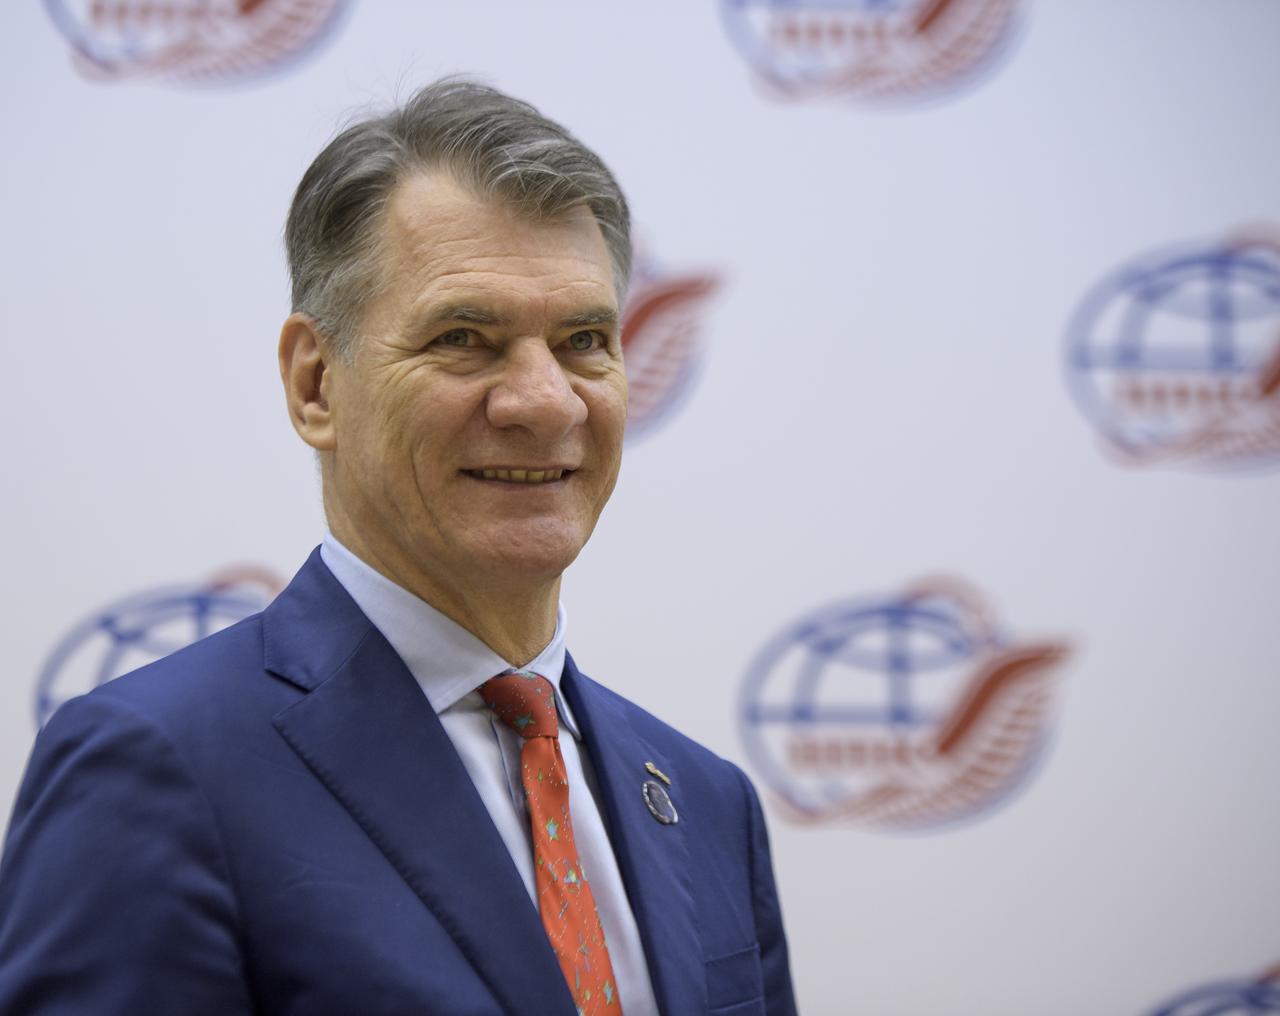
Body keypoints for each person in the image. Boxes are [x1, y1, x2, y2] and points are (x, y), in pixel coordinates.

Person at [0, 79, 797, 1015]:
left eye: (584, 339)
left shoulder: (708, 802)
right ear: (316, 384)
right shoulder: (155, 768)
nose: (545, 401)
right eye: (464, 338)